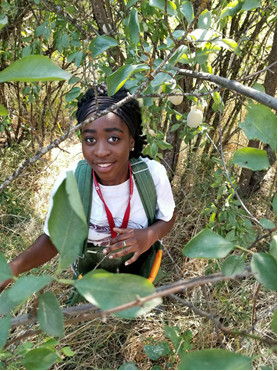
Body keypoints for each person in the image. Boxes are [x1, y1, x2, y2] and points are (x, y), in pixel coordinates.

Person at [0, 84, 175, 293]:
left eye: (114, 139)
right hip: (90, 277)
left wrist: (148, 236)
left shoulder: (152, 175)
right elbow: (54, 240)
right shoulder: (71, 183)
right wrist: (12, 269)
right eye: (90, 139)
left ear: (131, 141)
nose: (100, 151)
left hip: (138, 274)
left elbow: (167, 217)